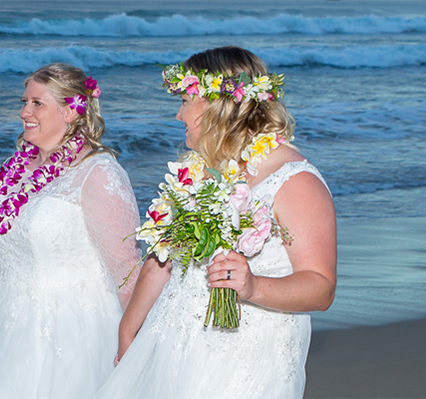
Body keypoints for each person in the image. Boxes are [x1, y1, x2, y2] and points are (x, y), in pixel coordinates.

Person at [95, 46, 337, 398]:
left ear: (215, 104)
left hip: (243, 359)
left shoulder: (295, 181)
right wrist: (129, 330)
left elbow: (321, 287)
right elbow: (163, 259)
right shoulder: (199, 171)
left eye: (185, 101)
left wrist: (253, 286)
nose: (178, 115)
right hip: (173, 346)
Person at [0, 63, 142, 398]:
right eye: (24, 101)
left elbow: (127, 271)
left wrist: (134, 341)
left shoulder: (97, 172)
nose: (24, 111)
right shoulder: (21, 167)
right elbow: (14, 246)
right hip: (3, 322)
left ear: (71, 111)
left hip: (70, 331)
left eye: (36, 103)